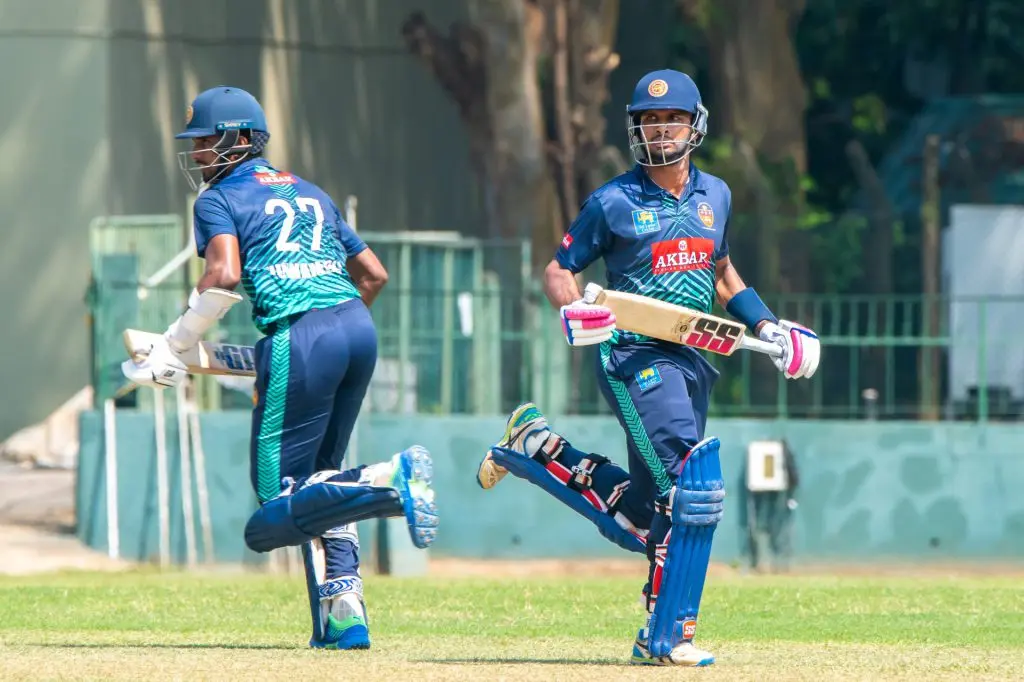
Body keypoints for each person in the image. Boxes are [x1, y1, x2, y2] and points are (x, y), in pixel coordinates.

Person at [475, 69, 820, 666]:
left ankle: (538, 447)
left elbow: (721, 272)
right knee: (688, 487)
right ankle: (667, 637)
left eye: (671, 120)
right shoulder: (611, 201)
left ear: (695, 125)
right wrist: (575, 309)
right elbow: (559, 271)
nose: (660, 130)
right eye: (649, 121)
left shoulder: (717, 196)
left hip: (694, 359)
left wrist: (768, 326)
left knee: (649, 511)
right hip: (633, 356)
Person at [121, 85, 439, 650]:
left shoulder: (218, 198)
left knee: (273, 509)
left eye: (206, 140)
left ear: (242, 138)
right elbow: (374, 275)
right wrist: (331, 335)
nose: (197, 153)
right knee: (320, 483)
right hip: (356, 327)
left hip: (301, 335)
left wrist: (175, 343)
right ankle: (344, 615)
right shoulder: (310, 190)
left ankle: (387, 480)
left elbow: (222, 276)